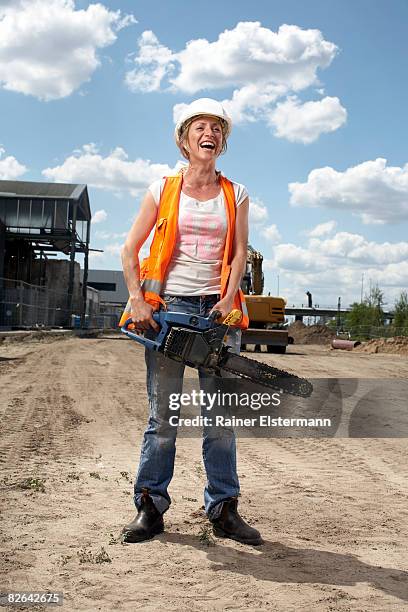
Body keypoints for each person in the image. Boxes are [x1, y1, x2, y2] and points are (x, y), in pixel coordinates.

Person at [120, 98, 263, 546]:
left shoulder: (235, 193)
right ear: (184, 140)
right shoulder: (162, 188)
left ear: (223, 140)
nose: (211, 133)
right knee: (163, 416)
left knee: (220, 417)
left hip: (218, 313)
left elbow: (240, 252)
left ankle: (223, 508)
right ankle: (150, 506)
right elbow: (129, 250)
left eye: (218, 128)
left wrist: (226, 299)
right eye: (201, 127)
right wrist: (137, 300)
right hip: (168, 311)